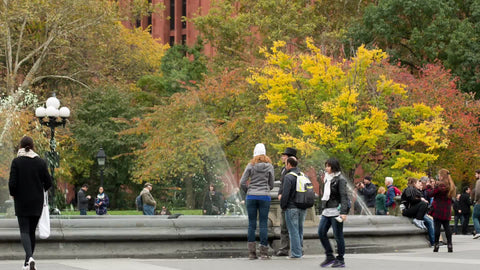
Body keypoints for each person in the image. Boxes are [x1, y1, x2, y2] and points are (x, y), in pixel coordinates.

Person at [8, 136, 52, 270]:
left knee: (24, 231)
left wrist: (14, 194)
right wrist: (39, 190)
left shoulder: (17, 162)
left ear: (21, 146)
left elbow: (12, 184)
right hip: (36, 202)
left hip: (22, 201)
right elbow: (49, 183)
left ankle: (30, 258)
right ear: (32, 146)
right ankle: (27, 263)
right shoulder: (40, 162)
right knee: (31, 231)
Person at [240, 143, 274, 260]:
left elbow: (242, 182)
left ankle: (252, 253)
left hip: (251, 197)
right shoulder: (269, 166)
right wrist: (266, 190)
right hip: (264, 197)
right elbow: (271, 183)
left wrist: (248, 190)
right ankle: (264, 253)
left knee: (252, 224)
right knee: (263, 224)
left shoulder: (250, 165)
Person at [318, 158, 348, 268]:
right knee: (321, 232)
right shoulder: (327, 178)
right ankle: (330, 256)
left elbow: (344, 196)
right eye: (326, 166)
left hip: (336, 211)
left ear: (334, 167)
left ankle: (340, 259)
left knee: (338, 236)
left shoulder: (340, 179)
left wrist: (343, 212)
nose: (326, 168)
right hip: (326, 211)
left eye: (328, 166)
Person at [280, 157, 306, 258]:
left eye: (286, 163)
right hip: (302, 207)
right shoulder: (303, 175)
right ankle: (299, 251)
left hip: (291, 207)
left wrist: (283, 205)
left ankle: (296, 253)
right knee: (299, 230)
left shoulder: (288, 177)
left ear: (289, 164)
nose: (285, 165)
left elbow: (285, 194)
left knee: (293, 230)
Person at [427, 169, 456, 252]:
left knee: (437, 228)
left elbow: (430, 194)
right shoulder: (451, 185)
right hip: (446, 209)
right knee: (447, 227)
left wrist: (429, 187)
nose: (438, 177)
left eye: (439, 175)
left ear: (442, 176)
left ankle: (436, 245)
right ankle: (450, 244)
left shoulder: (439, 185)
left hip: (438, 209)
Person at [276, 147, 297, 256]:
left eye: (284, 155)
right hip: (284, 200)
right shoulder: (284, 170)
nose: (282, 157)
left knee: (292, 227)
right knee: (283, 226)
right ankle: (284, 248)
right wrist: (280, 193)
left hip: (291, 203)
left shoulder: (295, 171)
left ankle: (296, 248)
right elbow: (282, 184)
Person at [472, 169, 480, 239]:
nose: (475, 175)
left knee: (475, 217)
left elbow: (477, 192)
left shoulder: (478, 181)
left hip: (479, 202)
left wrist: (475, 200)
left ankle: (478, 231)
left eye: (476, 174)